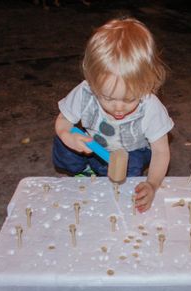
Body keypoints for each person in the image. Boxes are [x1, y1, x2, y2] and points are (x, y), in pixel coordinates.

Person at [53, 17, 174, 212]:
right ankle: (84, 172)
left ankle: (111, 176)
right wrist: (67, 135)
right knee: (62, 145)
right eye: (107, 98)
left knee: (130, 170)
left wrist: (152, 184)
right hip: (95, 146)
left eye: (129, 99)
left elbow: (161, 151)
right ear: (92, 82)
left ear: (147, 83)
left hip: (130, 151)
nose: (118, 108)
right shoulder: (86, 92)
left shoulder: (150, 107)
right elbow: (63, 120)